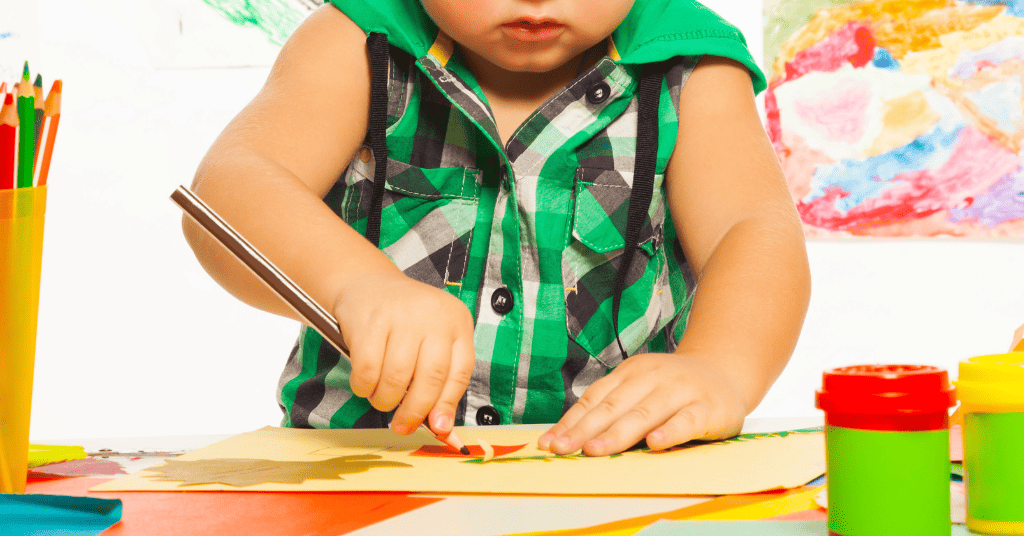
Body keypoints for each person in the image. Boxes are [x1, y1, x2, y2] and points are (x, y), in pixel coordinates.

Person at [182, 0, 812, 456]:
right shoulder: (355, 38)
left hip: (614, 468)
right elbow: (234, 186)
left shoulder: (691, 63)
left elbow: (751, 231)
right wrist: (355, 283)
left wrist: (720, 367)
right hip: (366, 463)